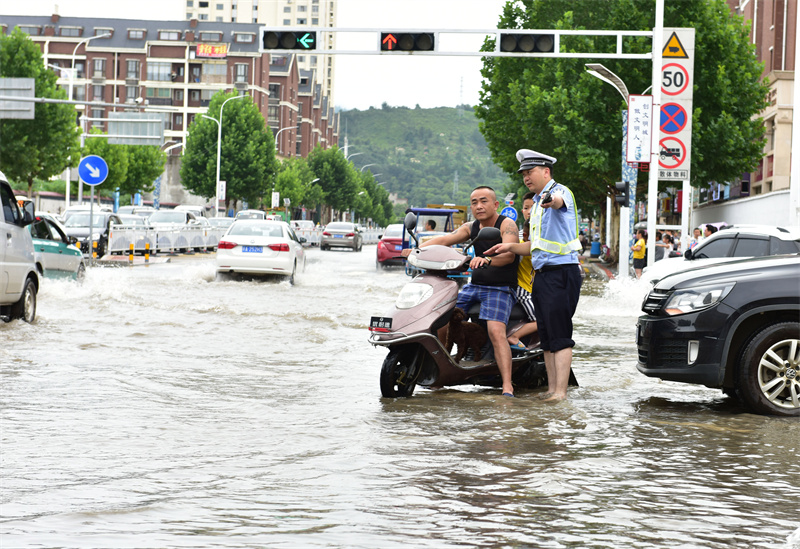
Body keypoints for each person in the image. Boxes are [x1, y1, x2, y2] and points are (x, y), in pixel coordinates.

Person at [401, 186, 520, 397]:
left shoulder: (506, 224)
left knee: (495, 331)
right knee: (440, 318)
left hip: (500, 287)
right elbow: (444, 240)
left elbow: (509, 253)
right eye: (474, 202)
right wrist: (417, 249)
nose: (479, 206)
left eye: (483, 201)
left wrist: (487, 259)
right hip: (475, 286)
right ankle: (440, 374)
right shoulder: (470, 227)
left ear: (495, 205)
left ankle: (507, 386)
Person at [486, 149, 582, 402]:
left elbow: (558, 201)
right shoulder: (537, 204)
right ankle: (551, 390)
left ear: (546, 171)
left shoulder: (559, 192)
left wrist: (552, 199)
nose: (526, 178)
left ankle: (560, 393)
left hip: (562, 272)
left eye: (530, 172)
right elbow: (534, 246)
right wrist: (508, 247)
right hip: (542, 275)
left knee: (560, 335)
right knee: (547, 337)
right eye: (523, 174)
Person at [508, 191, 538, 350]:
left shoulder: (546, 235)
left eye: (534, 207)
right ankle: (514, 337)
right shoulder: (517, 237)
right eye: (526, 208)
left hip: (535, 288)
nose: (530, 211)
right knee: (542, 320)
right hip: (523, 288)